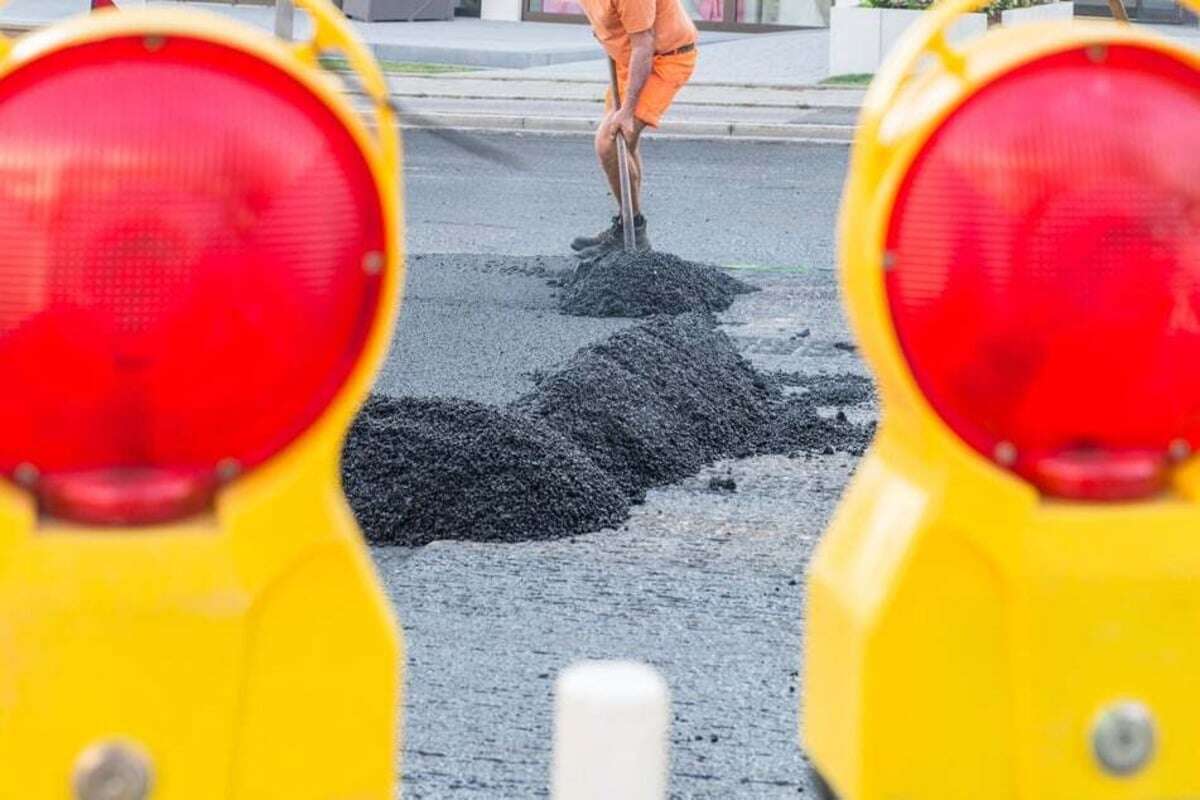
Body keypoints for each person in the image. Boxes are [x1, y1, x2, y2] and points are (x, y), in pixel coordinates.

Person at [570, 0, 698, 258]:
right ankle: (628, 225)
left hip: (662, 59)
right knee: (622, 145)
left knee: (610, 140)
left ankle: (634, 230)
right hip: (629, 60)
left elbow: (644, 43)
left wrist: (627, 110)